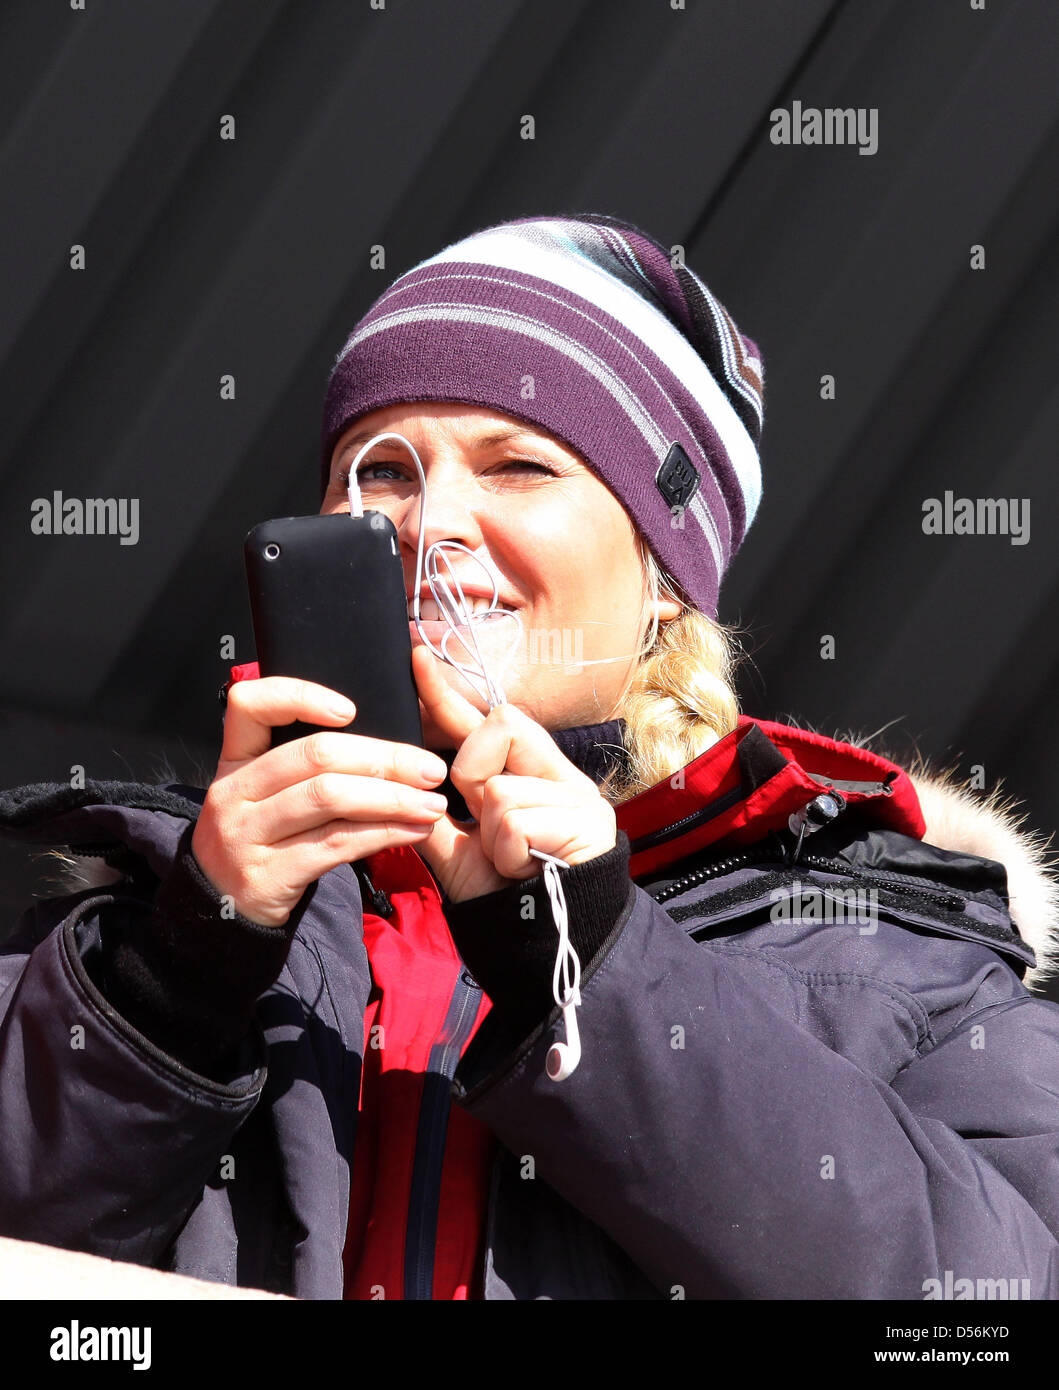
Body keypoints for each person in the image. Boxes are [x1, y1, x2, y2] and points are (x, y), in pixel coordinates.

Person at [1, 213, 1057, 1300]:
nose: (431, 521)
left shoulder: (904, 960)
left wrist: (597, 960)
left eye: (519, 464)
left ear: (663, 574)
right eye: (383, 471)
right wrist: (178, 969)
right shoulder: (134, 931)